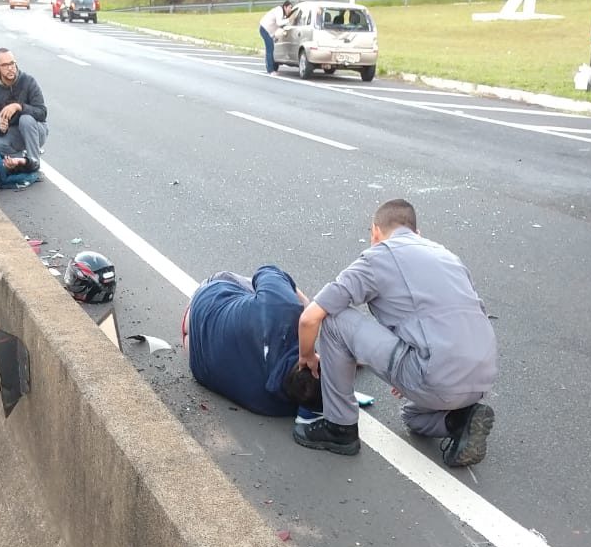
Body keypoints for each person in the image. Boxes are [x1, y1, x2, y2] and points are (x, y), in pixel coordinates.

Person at [295, 198, 498, 465]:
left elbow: (310, 318)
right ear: (418, 233)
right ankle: (459, 420)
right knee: (413, 417)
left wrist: (307, 355)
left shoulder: (379, 256)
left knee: (333, 319)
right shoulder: (448, 256)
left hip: (433, 373)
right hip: (482, 377)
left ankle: (339, 427)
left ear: (375, 232)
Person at [183, 267, 322, 420]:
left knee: (265, 287)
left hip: (202, 305)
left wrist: (305, 307)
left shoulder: (285, 308)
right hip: (196, 357)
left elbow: (266, 270)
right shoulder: (281, 408)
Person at [0, 49, 48, 164]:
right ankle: (20, 161)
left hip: (37, 131)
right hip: (15, 134)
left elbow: (42, 113)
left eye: (12, 63)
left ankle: (34, 164)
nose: (10, 68)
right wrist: (0, 128)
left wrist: (19, 106)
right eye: (5, 65)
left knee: (25, 119)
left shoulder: (28, 81)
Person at [259, 0, 294, 76]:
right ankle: (271, 70)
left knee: (270, 49)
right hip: (264, 29)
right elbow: (279, 22)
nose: (290, 10)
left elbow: (281, 24)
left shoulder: (283, 14)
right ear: (285, 7)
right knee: (270, 49)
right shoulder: (279, 10)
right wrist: (289, 20)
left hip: (268, 31)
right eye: (290, 7)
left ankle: (270, 68)